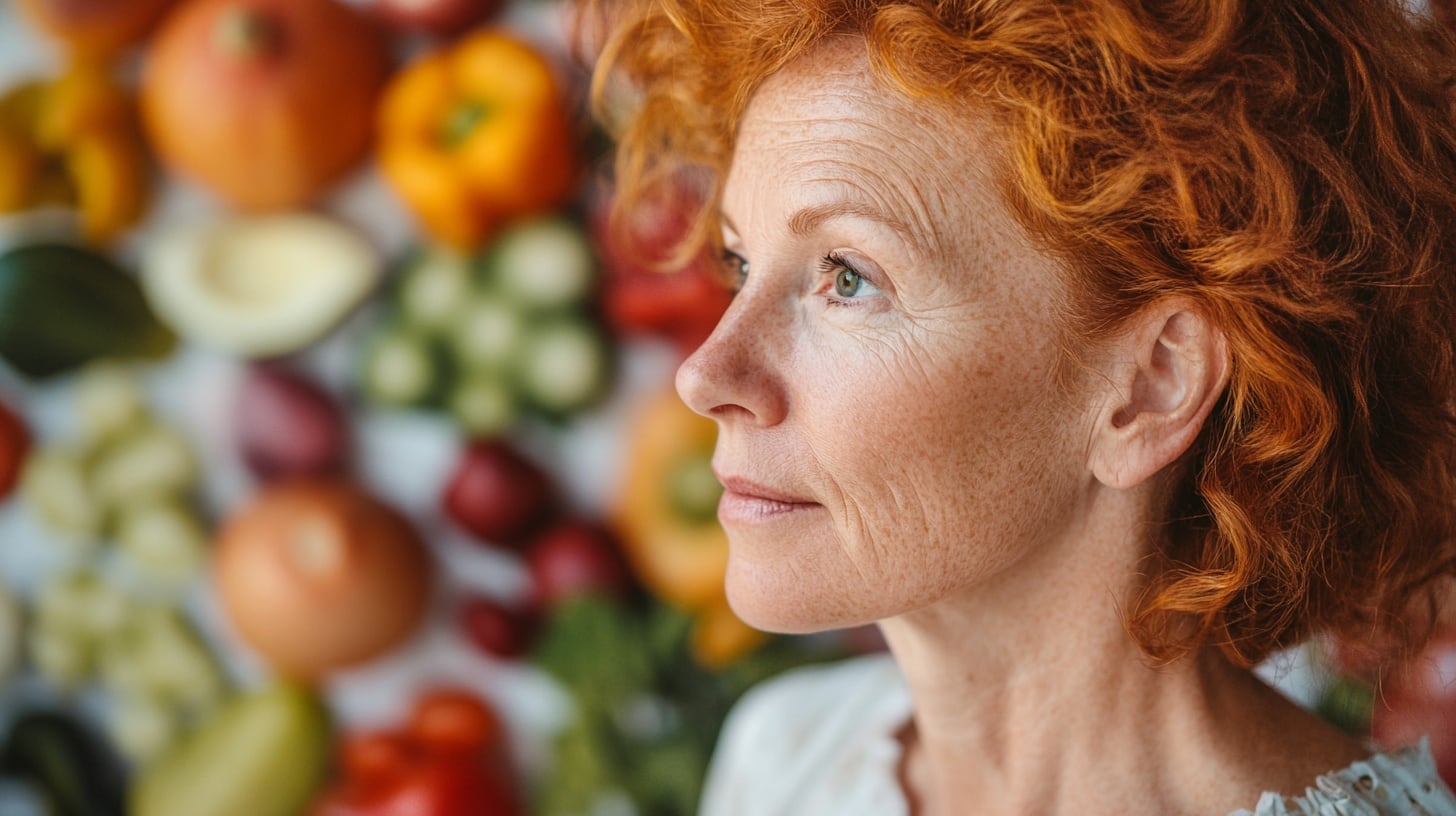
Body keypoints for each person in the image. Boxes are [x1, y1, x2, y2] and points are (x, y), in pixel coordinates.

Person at [589, 0, 1456, 813]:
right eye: (742, 265)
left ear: (1151, 387)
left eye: (848, 278)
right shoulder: (788, 756)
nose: (704, 374)